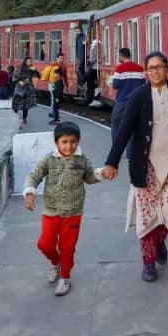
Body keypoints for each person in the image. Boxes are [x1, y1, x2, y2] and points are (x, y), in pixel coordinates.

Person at [101, 51, 168, 283]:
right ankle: (148, 263)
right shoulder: (138, 96)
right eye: (151, 68)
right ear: (145, 72)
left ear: (167, 69)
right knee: (147, 216)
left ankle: (159, 242)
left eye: (160, 67)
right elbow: (125, 130)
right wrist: (111, 162)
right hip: (144, 166)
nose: (155, 72)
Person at [23, 121, 103, 296]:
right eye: (64, 142)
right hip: (51, 211)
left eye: (73, 141)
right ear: (57, 143)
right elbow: (34, 176)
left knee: (68, 247)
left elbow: (90, 177)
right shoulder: (49, 159)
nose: (69, 146)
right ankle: (55, 262)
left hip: (73, 213)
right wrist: (30, 193)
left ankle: (65, 276)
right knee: (45, 244)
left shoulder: (82, 160)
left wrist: (101, 174)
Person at [109, 47, 145, 157]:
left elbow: (115, 85)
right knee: (133, 127)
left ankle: (117, 149)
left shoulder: (119, 69)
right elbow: (143, 85)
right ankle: (130, 152)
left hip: (122, 102)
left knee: (116, 125)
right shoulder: (140, 69)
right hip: (136, 102)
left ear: (121, 56)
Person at [12, 57, 40, 127]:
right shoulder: (20, 69)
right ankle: (14, 117)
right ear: (25, 62)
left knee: (26, 105)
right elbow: (14, 78)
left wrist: (35, 70)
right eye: (28, 61)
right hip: (20, 89)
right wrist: (19, 81)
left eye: (31, 61)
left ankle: (24, 119)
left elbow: (39, 76)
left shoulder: (31, 69)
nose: (30, 62)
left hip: (28, 90)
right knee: (16, 104)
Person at [41, 53, 68, 124]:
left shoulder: (64, 67)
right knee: (54, 98)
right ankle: (52, 112)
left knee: (54, 99)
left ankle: (52, 112)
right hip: (52, 84)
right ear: (57, 58)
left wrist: (67, 85)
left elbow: (65, 76)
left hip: (58, 84)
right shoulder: (53, 65)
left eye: (63, 58)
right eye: (60, 58)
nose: (62, 60)